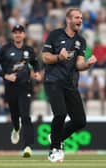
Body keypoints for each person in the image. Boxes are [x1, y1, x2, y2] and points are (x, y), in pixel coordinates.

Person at [41, 8, 97, 162]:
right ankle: (54, 149)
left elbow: (78, 65)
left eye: (81, 18)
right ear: (68, 20)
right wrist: (59, 57)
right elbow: (45, 57)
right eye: (77, 17)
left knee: (80, 121)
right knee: (60, 113)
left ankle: (55, 137)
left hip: (70, 84)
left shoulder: (81, 41)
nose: (80, 20)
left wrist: (87, 65)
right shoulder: (55, 35)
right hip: (53, 81)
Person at [0, 24, 41, 157]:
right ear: (13, 35)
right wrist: (6, 76)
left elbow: (35, 63)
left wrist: (36, 72)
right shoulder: (5, 49)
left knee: (25, 116)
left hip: (25, 86)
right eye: (15, 32)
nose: (18, 34)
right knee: (15, 116)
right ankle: (16, 128)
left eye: (20, 32)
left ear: (24, 35)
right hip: (11, 87)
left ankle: (28, 147)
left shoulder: (29, 50)